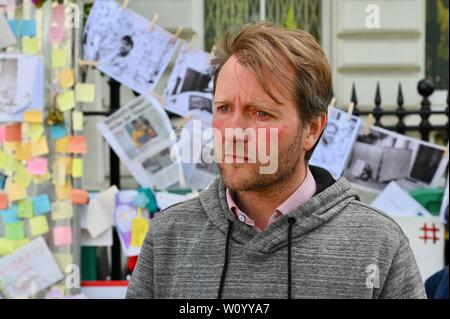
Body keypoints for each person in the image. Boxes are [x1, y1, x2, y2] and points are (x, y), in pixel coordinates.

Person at [126, 22, 426, 299]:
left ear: (312, 129)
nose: (233, 132)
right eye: (224, 108)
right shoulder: (169, 234)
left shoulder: (378, 242)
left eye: (260, 113)